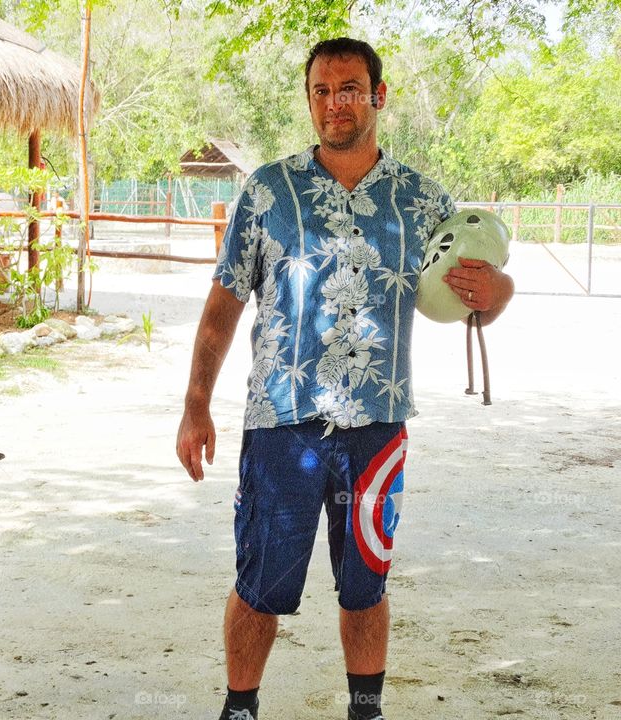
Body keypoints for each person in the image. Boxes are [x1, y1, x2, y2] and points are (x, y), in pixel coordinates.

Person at [176, 37, 514, 720]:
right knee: (260, 582)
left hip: (379, 429)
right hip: (280, 425)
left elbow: (476, 295)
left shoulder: (421, 201)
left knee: (367, 584)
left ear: (378, 96)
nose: (336, 103)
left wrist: (496, 289)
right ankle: (239, 708)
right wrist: (195, 406)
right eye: (323, 92)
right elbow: (222, 308)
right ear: (309, 102)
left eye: (350, 88)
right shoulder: (268, 191)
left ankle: (367, 710)